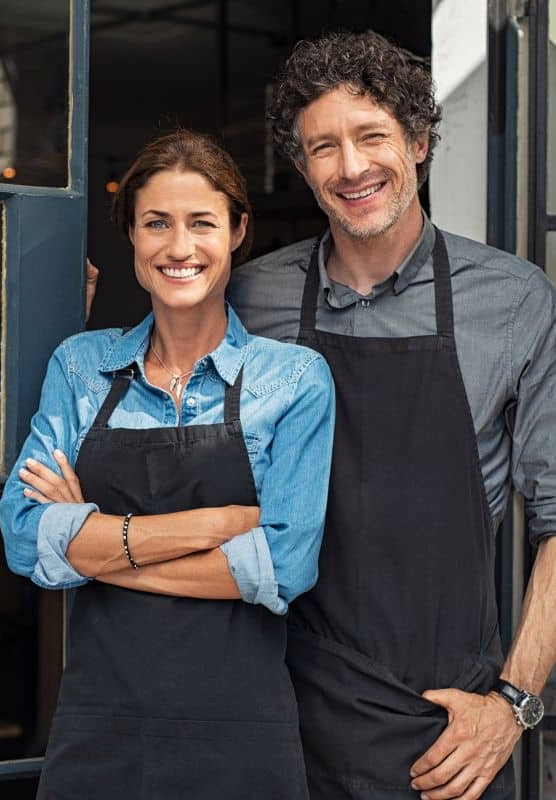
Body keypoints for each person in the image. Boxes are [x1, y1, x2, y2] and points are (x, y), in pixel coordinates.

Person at [228, 30, 556, 800]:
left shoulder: (511, 301)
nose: (351, 167)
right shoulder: (250, 298)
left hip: (445, 733)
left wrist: (512, 705)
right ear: (302, 167)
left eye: (371, 136)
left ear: (417, 141)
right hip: (278, 709)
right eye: (322, 147)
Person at [0, 130, 335, 798]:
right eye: (156, 223)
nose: (179, 248)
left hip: (241, 737)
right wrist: (219, 524)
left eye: (201, 223)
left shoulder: (294, 380)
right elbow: (21, 537)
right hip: (101, 730)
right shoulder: (82, 366)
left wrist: (94, 545)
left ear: (238, 231)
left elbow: (285, 567)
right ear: (131, 236)